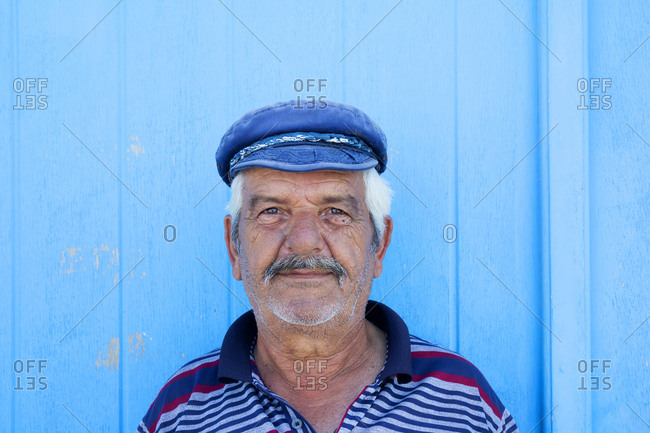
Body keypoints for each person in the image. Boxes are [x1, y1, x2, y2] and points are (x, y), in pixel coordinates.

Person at [137, 100, 519, 433]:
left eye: (335, 211)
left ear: (379, 245)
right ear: (234, 248)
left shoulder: (463, 403)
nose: (304, 240)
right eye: (272, 211)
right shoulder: (181, 412)